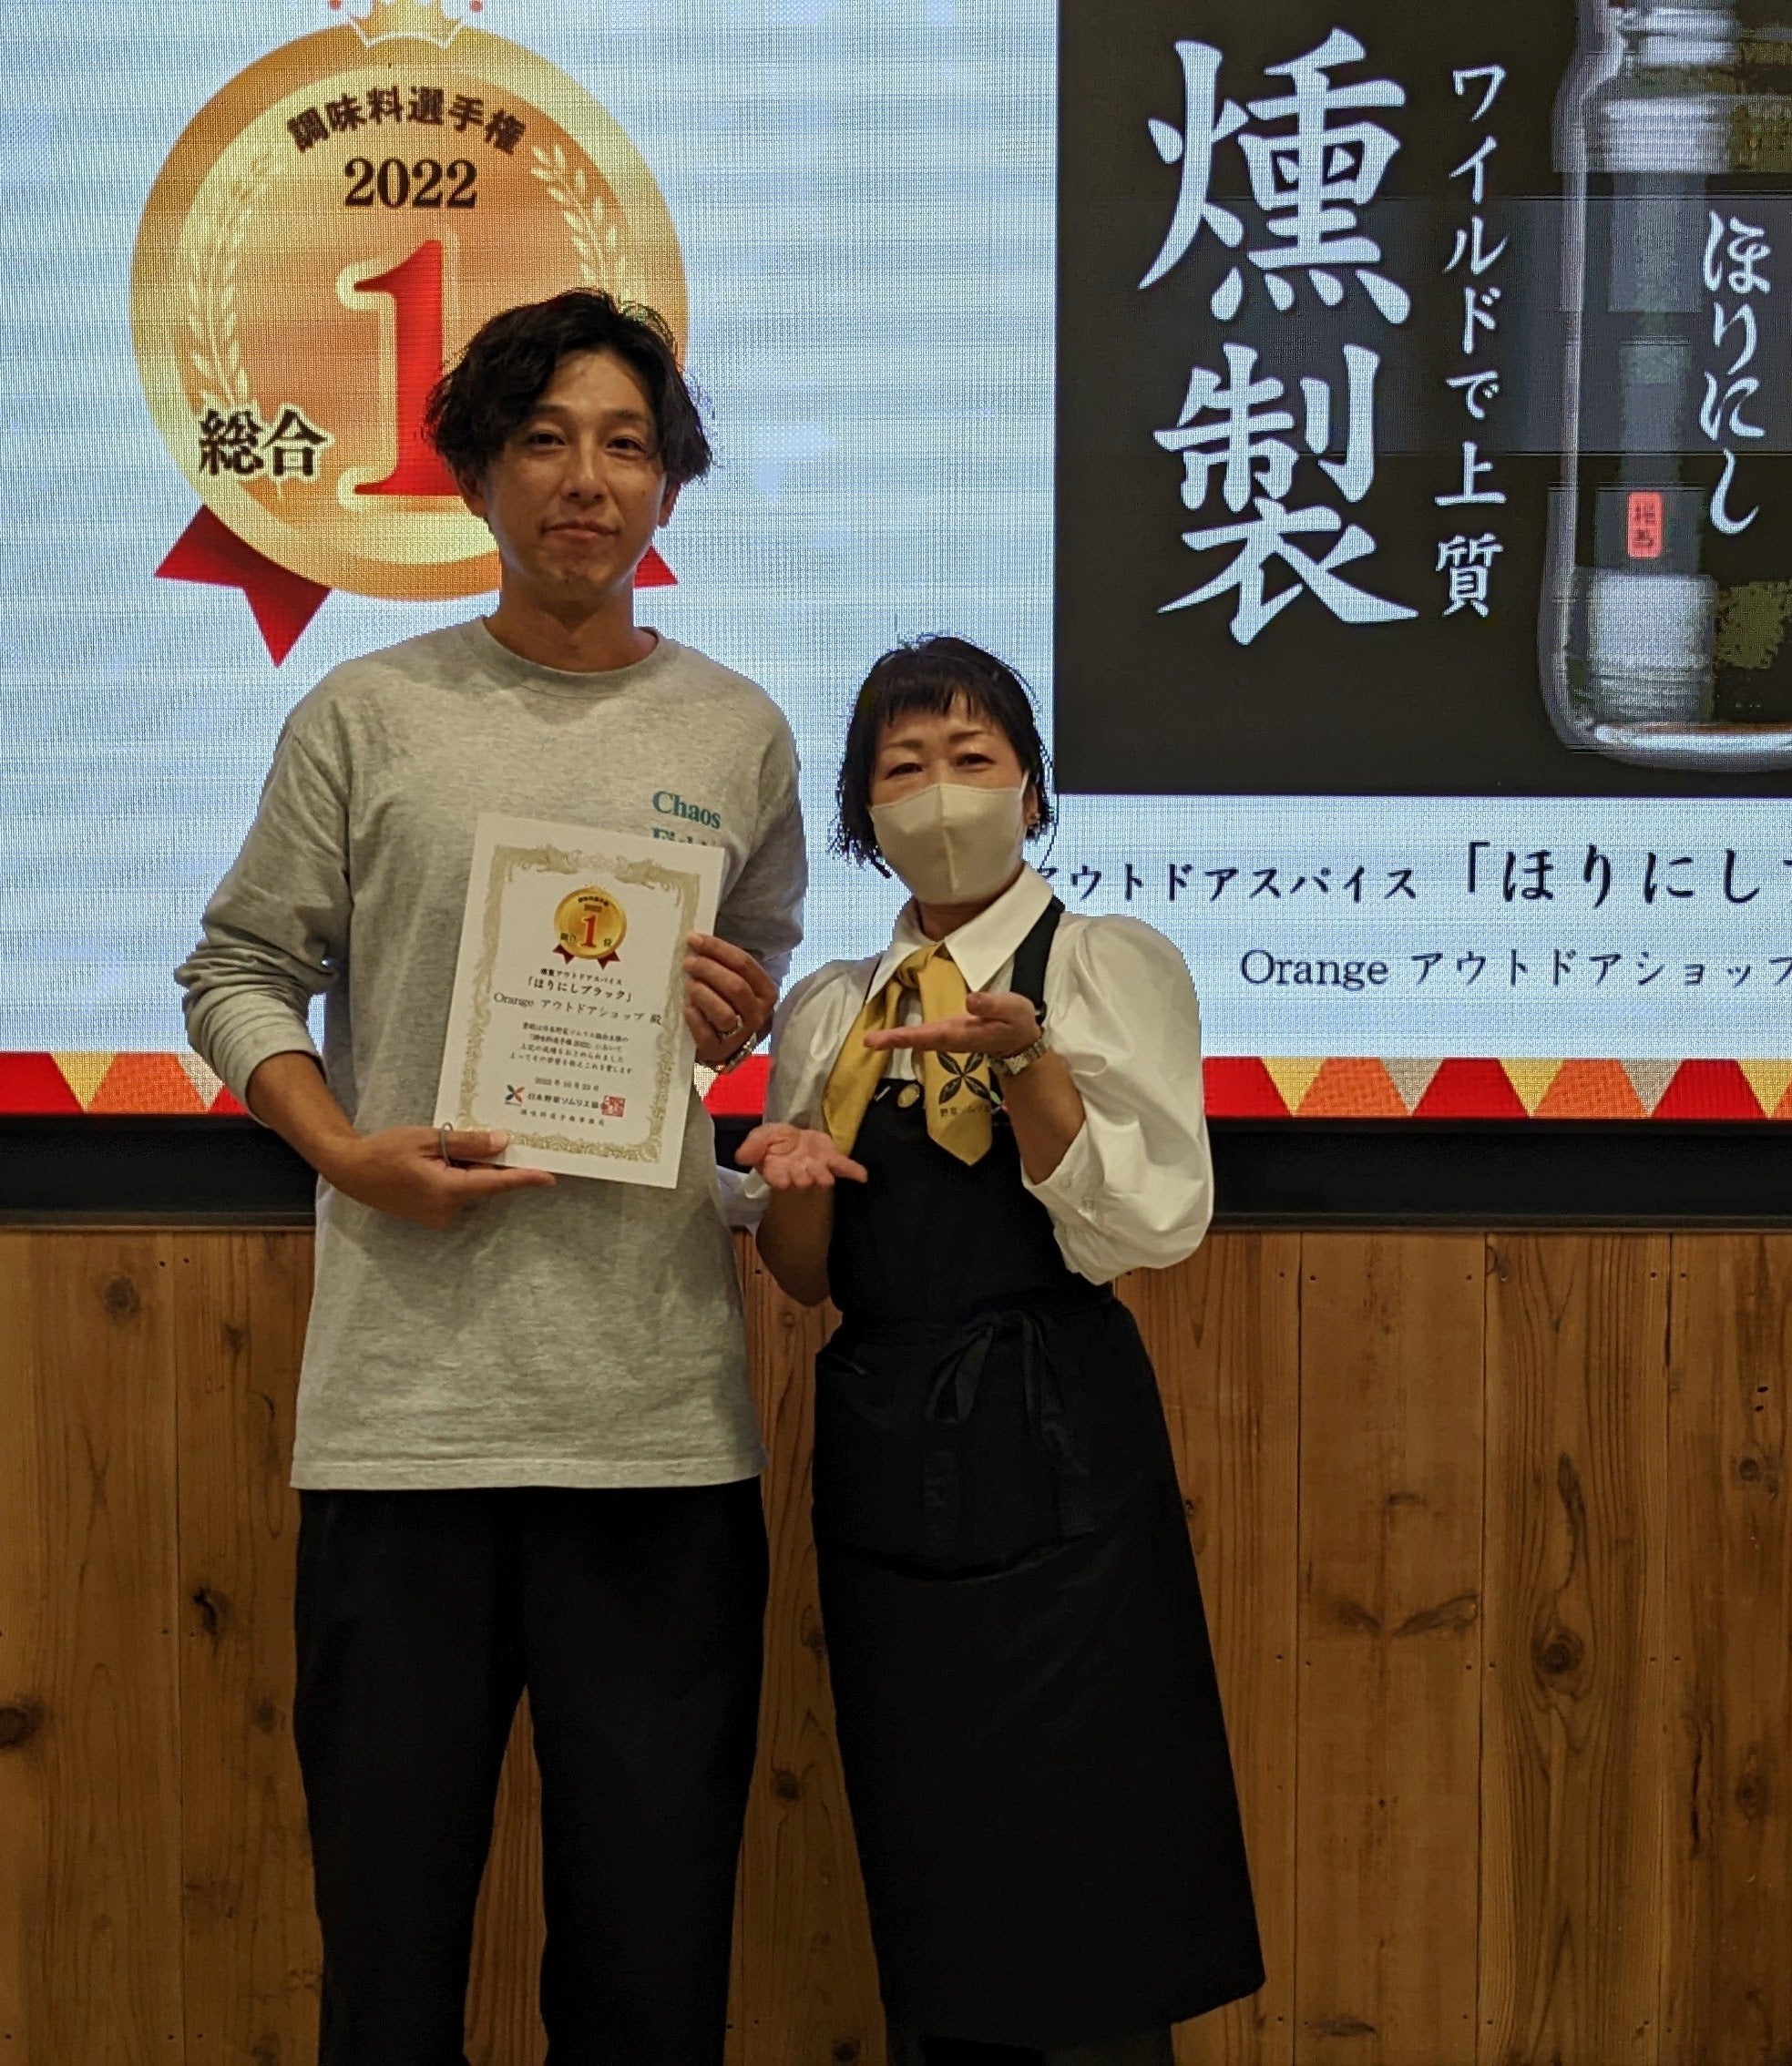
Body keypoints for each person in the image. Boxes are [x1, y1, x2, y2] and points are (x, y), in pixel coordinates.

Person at [175, 291, 806, 2065]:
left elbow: (743, 983)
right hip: (407, 1430)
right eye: (543, 439)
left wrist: (733, 1012)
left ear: (668, 482)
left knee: (651, 1978)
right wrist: (343, 1151)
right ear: (474, 474)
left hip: (654, 1433)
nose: (585, 479)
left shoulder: (737, 735)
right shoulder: (366, 716)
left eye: (625, 443)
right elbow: (236, 973)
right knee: (388, 1971)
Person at [739, 637, 1265, 2064]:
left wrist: (1027, 1063)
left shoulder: (1102, 965)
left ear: (1031, 792)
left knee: (1087, 1838)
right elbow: (805, 1278)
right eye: (902, 767)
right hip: (884, 1434)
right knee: (929, 1842)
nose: (940, 791)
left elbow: (1146, 1230)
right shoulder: (833, 1007)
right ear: (863, 815)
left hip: (1054, 1425)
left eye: (972, 758)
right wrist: (792, 1187)